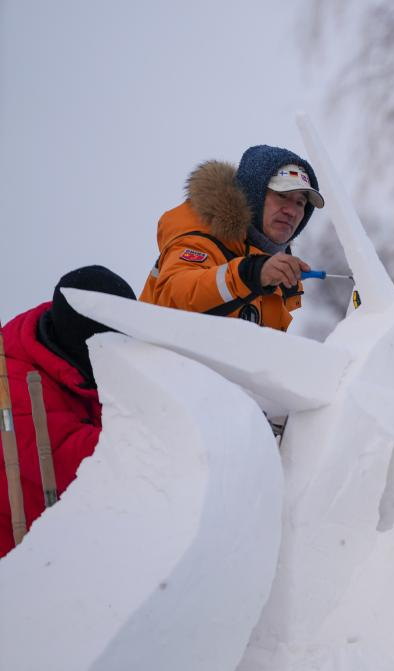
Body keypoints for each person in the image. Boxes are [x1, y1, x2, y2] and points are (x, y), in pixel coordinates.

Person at [0, 266, 136, 556]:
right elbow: (90, 463)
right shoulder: (15, 388)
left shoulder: (68, 352)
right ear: (88, 346)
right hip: (21, 561)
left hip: (74, 544)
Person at [140, 145, 324, 330]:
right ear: (254, 194)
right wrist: (251, 275)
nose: (292, 211)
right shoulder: (202, 236)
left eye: (300, 203)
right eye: (282, 195)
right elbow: (171, 299)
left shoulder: (274, 272)